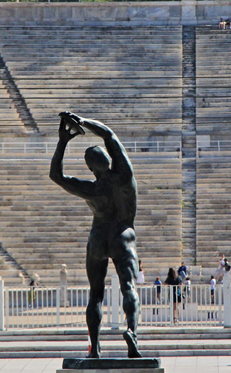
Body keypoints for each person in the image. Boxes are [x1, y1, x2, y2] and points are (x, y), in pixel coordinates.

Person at [50, 112, 142, 358]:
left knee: (96, 294)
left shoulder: (91, 189)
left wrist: (63, 141)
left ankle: (95, 348)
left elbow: (56, 176)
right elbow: (109, 134)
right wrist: (84, 122)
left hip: (99, 237)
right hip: (123, 235)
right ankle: (131, 331)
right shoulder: (124, 176)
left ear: (91, 168)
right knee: (129, 286)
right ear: (109, 159)